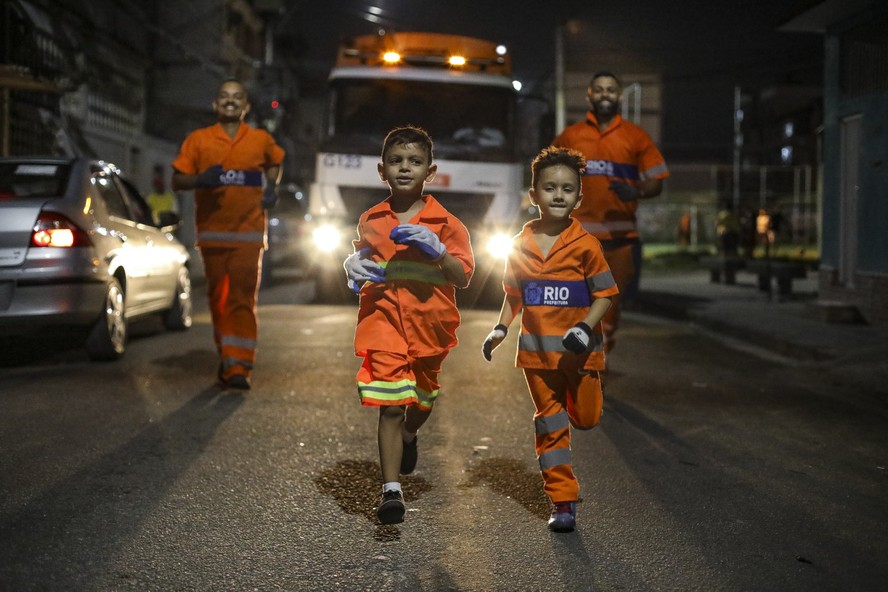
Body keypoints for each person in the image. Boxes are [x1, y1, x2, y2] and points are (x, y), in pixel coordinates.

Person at [481, 146, 618, 533]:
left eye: (567, 189)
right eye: (550, 187)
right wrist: (500, 328)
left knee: (587, 419)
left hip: (580, 356)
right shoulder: (519, 246)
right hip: (536, 357)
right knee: (550, 424)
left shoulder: (587, 246)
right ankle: (563, 501)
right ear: (533, 195)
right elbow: (514, 294)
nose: (558, 195)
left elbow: (605, 296)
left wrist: (583, 327)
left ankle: (583, 401)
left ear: (578, 197)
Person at [343, 126, 474, 525]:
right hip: (383, 322)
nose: (405, 168)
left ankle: (410, 436)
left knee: (422, 400)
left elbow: (464, 277)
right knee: (390, 403)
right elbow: (363, 258)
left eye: (415, 162)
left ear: (429, 172)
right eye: (397, 162)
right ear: (382, 171)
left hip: (430, 328)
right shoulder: (371, 219)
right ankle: (391, 490)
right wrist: (350, 268)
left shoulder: (447, 223)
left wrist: (438, 253)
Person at [171, 78, 284, 390]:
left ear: (246, 107)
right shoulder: (198, 140)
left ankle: (240, 365)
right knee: (218, 301)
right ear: (215, 105)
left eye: (237, 97)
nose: (230, 101)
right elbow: (178, 180)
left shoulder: (260, 139)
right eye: (224, 97)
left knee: (242, 300)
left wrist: (272, 188)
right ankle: (228, 356)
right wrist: (198, 181)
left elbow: (275, 163)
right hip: (212, 235)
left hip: (249, 235)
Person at [552, 71, 668, 354]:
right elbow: (548, 176)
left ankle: (598, 364)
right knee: (574, 305)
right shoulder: (571, 136)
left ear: (619, 97)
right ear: (589, 95)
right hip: (576, 241)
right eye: (600, 90)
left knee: (610, 309)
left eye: (611, 90)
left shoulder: (636, 137)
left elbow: (657, 181)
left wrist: (637, 190)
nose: (606, 95)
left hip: (619, 241)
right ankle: (578, 364)